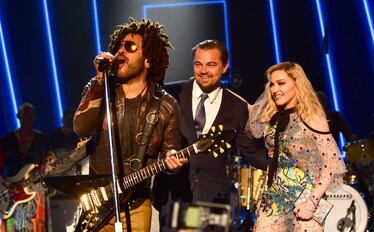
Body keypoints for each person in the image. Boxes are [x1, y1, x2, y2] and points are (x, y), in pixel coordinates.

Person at [73, 18, 186, 232]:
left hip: (137, 204)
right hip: (97, 202)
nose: (121, 51)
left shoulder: (167, 105)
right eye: (119, 46)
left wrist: (172, 161)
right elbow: (81, 127)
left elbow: (170, 151)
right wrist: (99, 79)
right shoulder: (102, 90)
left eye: (130, 46)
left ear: (148, 60)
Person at [153, 40, 268, 231]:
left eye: (211, 64)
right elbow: (155, 141)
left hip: (214, 200)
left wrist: (285, 164)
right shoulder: (173, 95)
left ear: (224, 66)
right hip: (175, 197)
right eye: (198, 64)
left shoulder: (237, 107)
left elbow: (251, 152)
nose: (203, 70)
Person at [246, 62, 346, 231]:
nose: (275, 89)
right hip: (275, 198)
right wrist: (264, 200)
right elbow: (273, 164)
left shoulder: (311, 115)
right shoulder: (273, 118)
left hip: (305, 199)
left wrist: (312, 202)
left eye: (281, 83)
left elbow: (331, 163)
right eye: (272, 84)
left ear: (297, 83)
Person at [0, 103, 51, 232]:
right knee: (12, 224)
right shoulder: (8, 139)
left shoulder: (42, 139)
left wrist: (49, 164)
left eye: (31, 115)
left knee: (34, 224)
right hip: (11, 189)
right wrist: (4, 183)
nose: (28, 118)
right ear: (18, 116)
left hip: (34, 187)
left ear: (34, 117)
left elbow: (49, 159)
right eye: (25, 115)